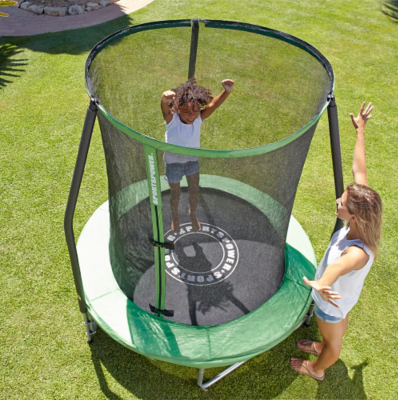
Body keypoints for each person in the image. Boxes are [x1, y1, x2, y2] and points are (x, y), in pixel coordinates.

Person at [290, 102, 382, 381]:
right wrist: (361, 131)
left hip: (331, 304)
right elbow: (359, 169)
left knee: (334, 345)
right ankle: (320, 346)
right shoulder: (361, 223)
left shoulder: (357, 252)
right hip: (341, 302)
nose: (337, 202)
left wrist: (321, 283)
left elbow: (339, 267)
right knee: (333, 334)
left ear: (353, 217)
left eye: (341, 203)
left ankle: (317, 368)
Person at [161, 78, 234, 233]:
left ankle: (192, 213)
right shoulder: (172, 120)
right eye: (186, 111)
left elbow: (213, 105)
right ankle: (175, 217)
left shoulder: (198, 119)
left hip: (192, 161)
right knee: (176, 192)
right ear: (177, 108)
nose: (191, 115)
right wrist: (164, 99)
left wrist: (226, 91)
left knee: (194, 190)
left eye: (195, 110)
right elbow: (165, 109)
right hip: (173, 162)